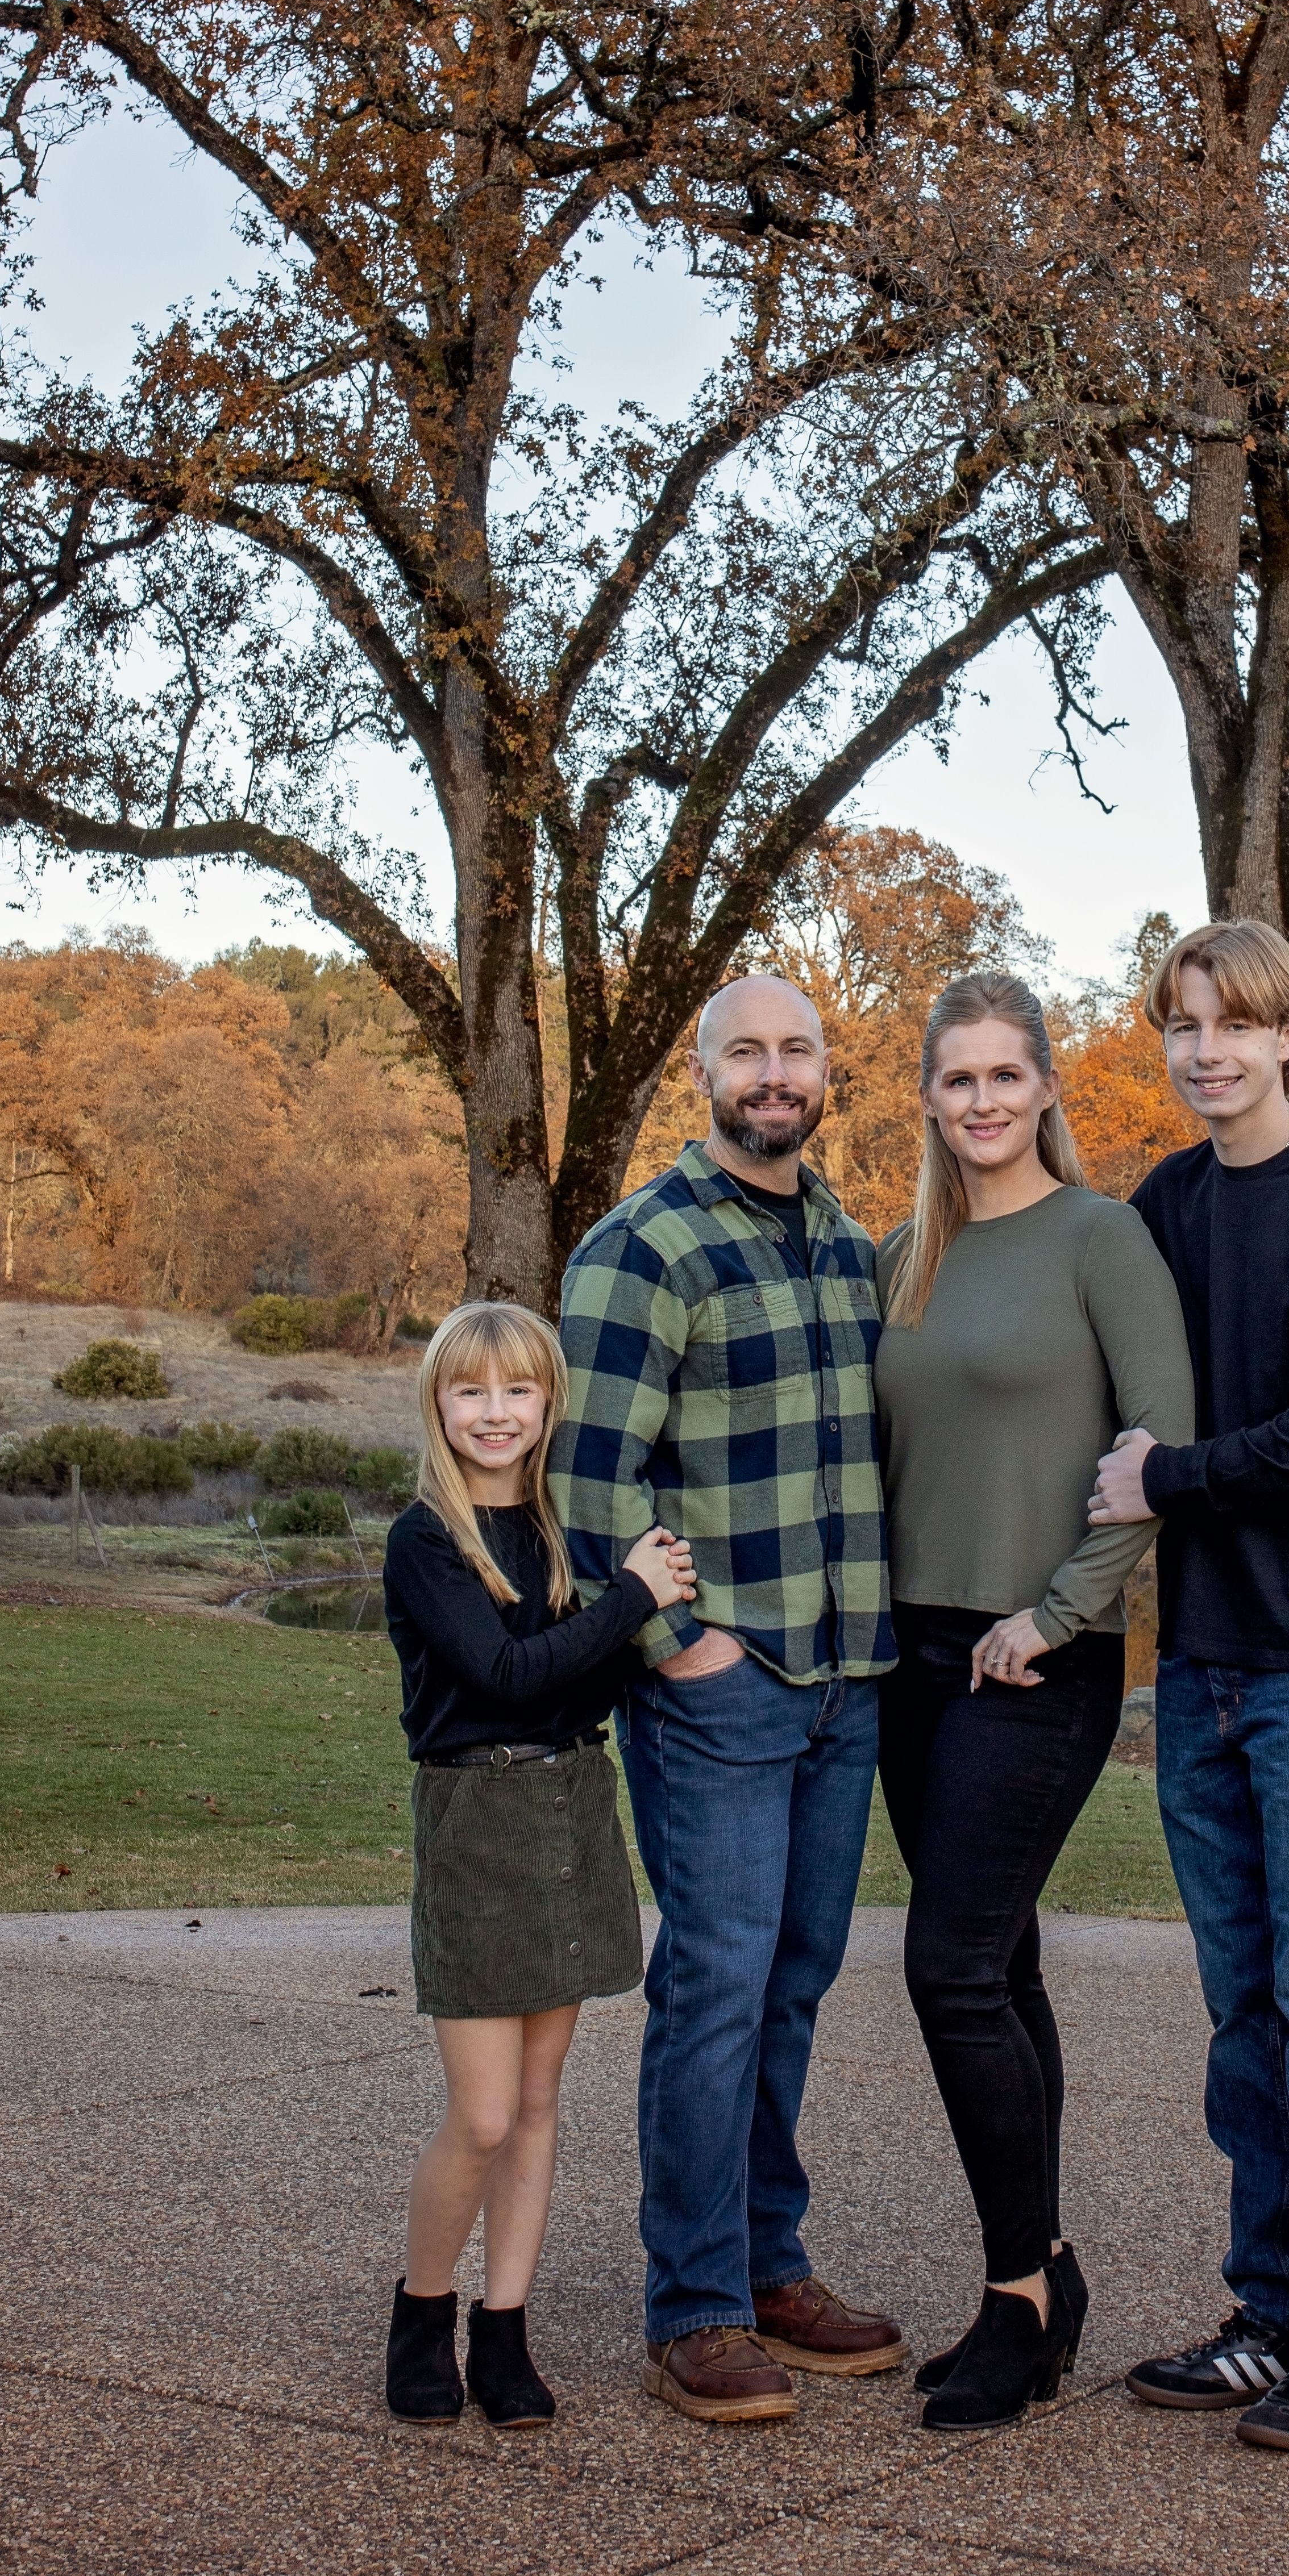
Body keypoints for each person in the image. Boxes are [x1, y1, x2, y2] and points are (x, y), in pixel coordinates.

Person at [551, 974, 905, 2424]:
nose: (774, 1073)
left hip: (845, 1677)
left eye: (796, 1049)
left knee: (797, 1982)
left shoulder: (849, 1244)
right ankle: (692, 2302)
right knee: (713, 1987)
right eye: (745, 1051)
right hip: (722, 1685)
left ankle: (769, 2264)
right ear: (703, 1073)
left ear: (828, 1070)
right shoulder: (642, 1245)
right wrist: (674, 1640)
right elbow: (586, 1480)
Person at [1091, 920, 1289, 2456]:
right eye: (1182, 1026)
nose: (1205, 1050)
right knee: (1242, 2014)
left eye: (1235, 1026)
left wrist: (1170, 1481)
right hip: (1204, 1662)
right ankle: (1270, 2313)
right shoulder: (1160, 1204)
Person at [874, 972, 1194, 2433]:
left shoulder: (1099, 1237)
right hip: (913, 1662)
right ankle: (1048, 2277)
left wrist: (1058, 1615)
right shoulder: (905, 1258)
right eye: (958, 1080)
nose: (984, 1101)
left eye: (1008, 1075)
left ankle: (1015, 2295)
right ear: (930, 1098)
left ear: (1047, 1087)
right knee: (997, 1969)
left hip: (1040, 1656)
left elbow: (1159, 1449)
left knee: (945, 1968)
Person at [382, 1299, 700, 2431]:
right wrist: (632, 1599)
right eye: (471, 1390)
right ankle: (423, 2313)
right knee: (478, 2114)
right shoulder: (426, 1535)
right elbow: (508, 1675)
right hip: (478, 1818)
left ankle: (503, 2329)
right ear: (439, 1402)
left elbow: (582, 1687)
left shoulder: (563, 1528)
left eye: (517, 1389)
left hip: (571, 1803)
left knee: (536, 2105)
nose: (495, 1412)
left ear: (548, 1401)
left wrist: (622, 1612)